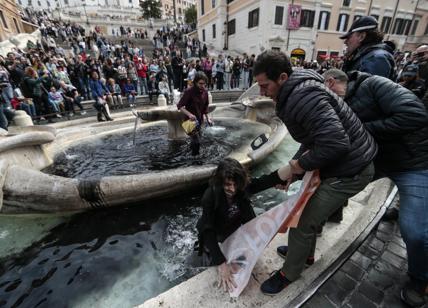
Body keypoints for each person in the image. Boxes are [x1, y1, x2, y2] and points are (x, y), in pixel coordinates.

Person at [253, 51, 377, 295]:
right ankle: (304, 255)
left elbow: (335, 143)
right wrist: (295, 171)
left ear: (283, 77)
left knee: (303, 222)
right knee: (304, 212)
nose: (262, 92)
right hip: (345, 164)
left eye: (265, 85)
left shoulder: (302, 96)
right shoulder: (299, 90)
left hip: (352, 170)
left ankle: (289, 273)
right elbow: (313, 139)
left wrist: (297, 167)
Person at [323, 68, 428, 307]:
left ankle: (420, 279)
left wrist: (364, 129)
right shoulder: (340, 104)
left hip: (414, 165)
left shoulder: (376, 85)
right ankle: (331, 215)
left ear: (330, 82)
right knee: (331, 183)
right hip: (376, 161)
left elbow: (416, 115)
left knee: (414, 231)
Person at [196, 158, 289, 291]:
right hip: (215, 231)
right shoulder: (210, 196)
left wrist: (296, 166)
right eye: (228, 184)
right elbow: (208, 230)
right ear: (220, 181)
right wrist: (222, 265)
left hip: (233, 228)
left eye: (235, 185)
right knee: (212, 255)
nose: (232, 189)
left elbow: (268, 179)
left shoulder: (241, 188)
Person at [177, 72, 213, 156]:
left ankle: (191, 154)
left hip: (199, 121)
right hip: (188, 122)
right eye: (200, 83)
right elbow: (180, 106)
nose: (203, 86)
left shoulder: (205, 92)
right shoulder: (189, 91)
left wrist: (208, 118)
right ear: (195, 82)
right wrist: (189, 114)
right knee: (197, 141)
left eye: (204, 84)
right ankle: (195, 161)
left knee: (197, 140)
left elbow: (205, 106)